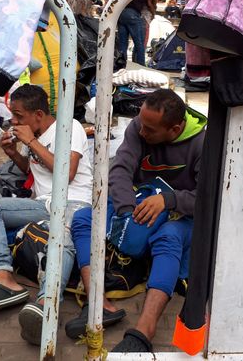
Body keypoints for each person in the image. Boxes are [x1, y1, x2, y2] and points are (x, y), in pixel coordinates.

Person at [67, 89, 207, 352]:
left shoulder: (201, 144)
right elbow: (120, 168)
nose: (142, 132)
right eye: (141, 124)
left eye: (150, 130)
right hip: (137, 204)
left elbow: (206, 199)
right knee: (85, 218)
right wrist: (127, 212)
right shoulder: (139, 127)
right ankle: (97, 303)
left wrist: (169, 200)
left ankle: (145, 330)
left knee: (169, 237)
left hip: (179, 215)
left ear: (175, 129)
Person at [0, 84, 93, 346]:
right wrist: (14, 154)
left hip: (74, 202)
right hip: (43, 203)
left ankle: (46, 303)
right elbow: (36, 174)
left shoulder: (70, 128)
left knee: (62, 235)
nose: (14, 121)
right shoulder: (33, 134)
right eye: (13, 115)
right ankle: (4, 278)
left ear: (38, 114)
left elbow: (66, 174)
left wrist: (31, 142)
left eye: (19, 116)